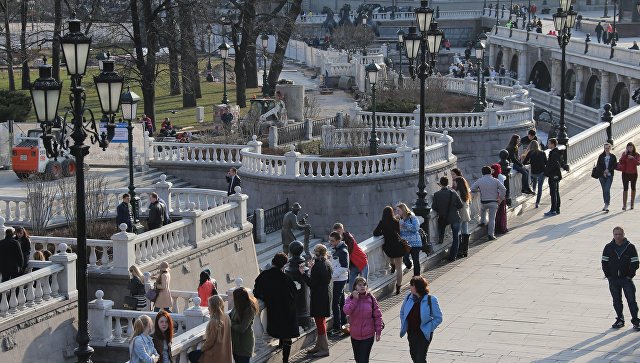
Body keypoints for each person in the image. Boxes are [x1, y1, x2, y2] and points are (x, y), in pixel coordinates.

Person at [253, 252, 299, 362]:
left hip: (273, 309)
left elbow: (257, 292)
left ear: (273, 262)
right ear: (283, 265)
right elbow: (294, 293)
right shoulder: (286, 278)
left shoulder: (264, 275)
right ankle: (285, 360)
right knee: (286, 334)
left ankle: (280, 344)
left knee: (278, 329)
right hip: (287, 310)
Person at [601, 226, 640, 330]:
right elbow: (604, 262)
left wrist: (629, 276)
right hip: (613, 280)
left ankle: (636, 321)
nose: (618, 236)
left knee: (632, 300)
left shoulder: (630, 247)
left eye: (620, 234)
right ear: (613, 235)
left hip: (626, 280)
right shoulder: (608, 247)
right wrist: (608, 276)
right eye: (616, 234)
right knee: (616, 301)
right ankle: (620, 320)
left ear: (623, 235)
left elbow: (635, 262)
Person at [400, 276, 443, 363]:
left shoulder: (431, 299)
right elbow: (402, 312)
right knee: (414, 356)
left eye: (411, 285)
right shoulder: (409, 297)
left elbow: (438, 318)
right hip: (411, 332)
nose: (410, 287)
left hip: (424, 333)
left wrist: (429, 327)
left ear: (417, 287)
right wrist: (405, 324)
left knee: (420, 358)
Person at [299, 244, 332, 357]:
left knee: (320, 322)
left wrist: (303, 273)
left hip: (319, 297)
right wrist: (312, 268)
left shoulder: (318, 266)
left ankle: (325, 348)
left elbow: (312, 283)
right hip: (325, 295)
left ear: (316, 253)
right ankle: (319, 346)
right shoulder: (326, 263)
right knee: (321, 321)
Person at [343, 277, 383, 363]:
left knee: (363, 360)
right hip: (355, 335)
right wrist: (355, 299)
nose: (362, 287)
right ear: (355, 287)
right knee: (358, 359)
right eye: (360, 285)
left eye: (364, 285)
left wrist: (378, 332)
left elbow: (378, 316)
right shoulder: (350, 299)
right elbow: (346, 311)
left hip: (368, 335)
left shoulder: (371, 298)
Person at [373, 206, 404, 295]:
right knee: (400, 269)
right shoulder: (396, 222)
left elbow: (375, 233)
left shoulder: (382, 222)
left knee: (390, 257)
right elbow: (398, 233)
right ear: (392, 213)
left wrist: (384, 232)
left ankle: (392, 265)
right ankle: (398, 288)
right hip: (397, 247)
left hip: (388, 247)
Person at [431, 177, 463, 261]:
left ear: (440, 184)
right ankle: (453, 256)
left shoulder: (436, 194)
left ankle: (441, 244)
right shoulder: (453, 193)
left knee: (441, 233)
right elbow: (460, 205)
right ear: (448, 183)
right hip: (454, 218)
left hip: (443, 218)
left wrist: (442, 210)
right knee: (456, 237)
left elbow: (434, 207)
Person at [471, 166, 507, 240]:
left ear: (482, 173)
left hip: (484, 202)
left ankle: (483, 221)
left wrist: (479, 190)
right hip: (493, 202)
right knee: (492, 219)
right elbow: (503, 189)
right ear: (490, 172)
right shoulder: (495, 180)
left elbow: (472, 188)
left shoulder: (479, 180)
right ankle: (490, 235)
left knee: (482, 209)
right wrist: (500, 198)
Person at [333, 223, 368, 290]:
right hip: (353, 266)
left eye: (339, 232)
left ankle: (365, 300)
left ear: (342, 230)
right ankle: (353, 300)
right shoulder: (338, 240)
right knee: (351, 288)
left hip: (362, 262)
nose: (337, 234)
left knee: (363, 286)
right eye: (336, 232)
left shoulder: (349, 238)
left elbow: (346, 253)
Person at [328, 231, 350, 336]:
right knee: (341, 302)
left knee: (335, 303)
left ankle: (337, 327)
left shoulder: (343, 251)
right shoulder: (338, 250)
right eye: (330, 240)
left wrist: (332, 275)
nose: (330, 242)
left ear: (338, 240)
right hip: (339, 279)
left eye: (332, 240)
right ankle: (343, 323)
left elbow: (345, 267)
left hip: (340, 280)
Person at [199, 295, 232, 363]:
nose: (208, 308)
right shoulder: (226, 317)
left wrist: (201, 349)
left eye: (209, 306)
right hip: (224, 354)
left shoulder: (214, 322)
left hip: (214, 356)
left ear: (213, 307)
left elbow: (210, 341)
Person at [229, 287, 259, 363]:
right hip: (235, 344)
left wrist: (230, 323)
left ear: (240, 299)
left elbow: (242, 328)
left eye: (235, 298)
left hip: (244, 344)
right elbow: (230, 316)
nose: (233, 299)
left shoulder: (249, 310)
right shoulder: (237, 305)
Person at [395, 203, 422, 275]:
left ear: (403, 210)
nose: (397, 212)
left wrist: (404, 224)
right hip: (405, 244)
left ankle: (417, 278)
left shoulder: (412, 217)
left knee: (416, 260)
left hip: (415, 243)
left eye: (398, 210)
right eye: (396, 211)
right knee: (405, 258)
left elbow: (415, 228)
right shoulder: (398, 220)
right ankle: (409, 265)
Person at [544, 138, 568, 216]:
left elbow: (555, 165)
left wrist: (547, 172)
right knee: (556, 192)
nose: (548, 144)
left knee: (553, 193)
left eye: (549, 143)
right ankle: (557, 209)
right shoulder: (557, 152)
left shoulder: (553, 153)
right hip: (557, 175)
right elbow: (561, 163)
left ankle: (553, 210)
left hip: (553, 175)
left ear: (553, 144)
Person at [522, 140, 548, 208]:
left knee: (534, 179)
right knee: (540, 188)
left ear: (530, 146)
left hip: (534, 172)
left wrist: (531, 162)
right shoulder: (542, 153)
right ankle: (537, 203)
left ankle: (533, 189)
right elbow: (546, 163)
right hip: (542, 172)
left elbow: (524, 162)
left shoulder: (530, 153)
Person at [451, 174, 472, 258]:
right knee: (465, 232)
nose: (454, 183)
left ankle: (460, 250)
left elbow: (456, 204)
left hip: (460, 214)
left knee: (459, 232)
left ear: (458, 183)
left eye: (455, 182)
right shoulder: (466, 192)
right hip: (466, 214)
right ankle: (465, 250)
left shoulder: (457, 192)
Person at [595, 143, 617, 212]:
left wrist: (608, 170)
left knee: (607, 189)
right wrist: (603, 172)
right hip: (602, 176)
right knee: (604, 190)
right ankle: (605, 204)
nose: (606, 149)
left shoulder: (613, 156)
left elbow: (614, 165)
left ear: (610, 148)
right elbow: (598, 166)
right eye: (605, 148)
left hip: (610, 175)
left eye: (608, 148)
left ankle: (607, 204)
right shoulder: (601, 156)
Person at [618, 142, 640, 210]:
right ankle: (624, 205)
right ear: (627, 148)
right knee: (625, 188)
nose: (630, 148)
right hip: (625, 174)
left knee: (633, 188)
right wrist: (625, 155)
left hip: (633, 174)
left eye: (631, 147)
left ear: (633, 148)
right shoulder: (624, 154)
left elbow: (638, 163)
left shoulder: (636, 154)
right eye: (628, 147)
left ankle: (632, 204)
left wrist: (633, 158)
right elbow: (621, 162)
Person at [491, 164, 509, 234]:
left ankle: (500, 227)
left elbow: (502, 188)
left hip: (499, 197)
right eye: (491, 170)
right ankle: (498, 227)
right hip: (495, 197)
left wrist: (500, 198)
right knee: (496, 213)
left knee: (500, 212)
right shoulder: (497, 176)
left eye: (493, 170)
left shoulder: (500, 177)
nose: (492, 171)